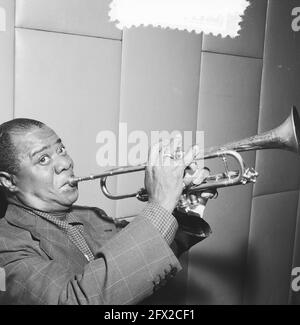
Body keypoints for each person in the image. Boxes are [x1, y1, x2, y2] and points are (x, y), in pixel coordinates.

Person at [0, 118, 212, 305]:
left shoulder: (93, 216)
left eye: (61, 149)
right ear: (9, 181)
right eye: (43, 159)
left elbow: (146, 260)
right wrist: (161, 203)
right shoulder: (6, 245)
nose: (65, 163)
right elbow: (74, 300)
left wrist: (186, 207)